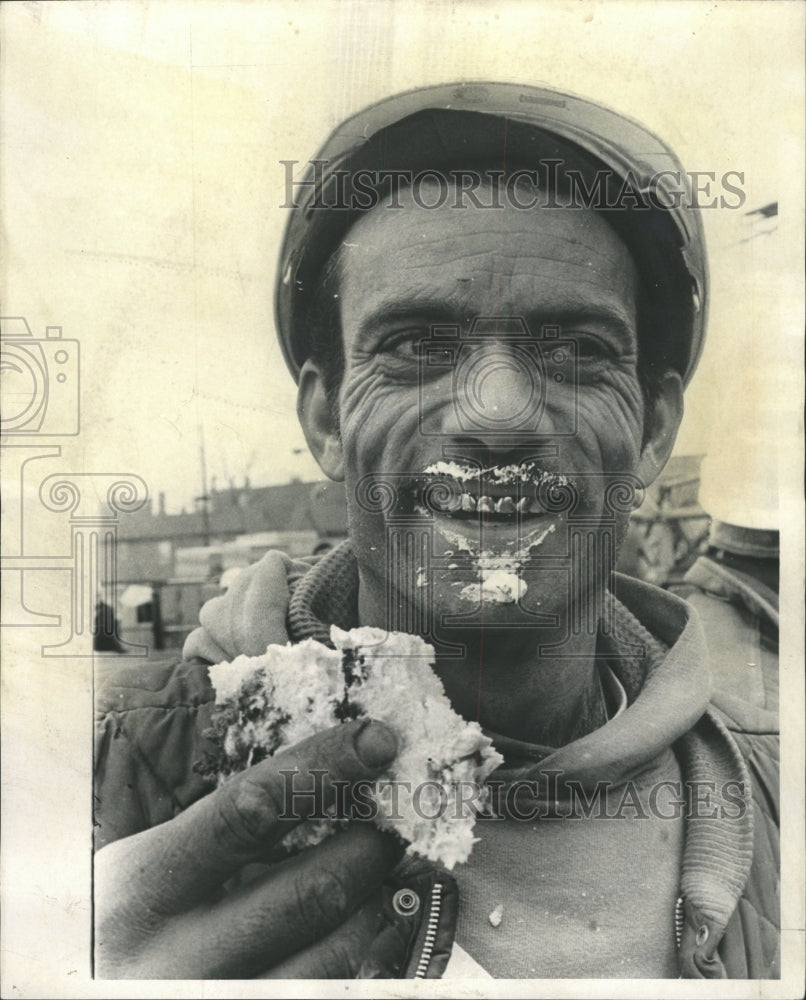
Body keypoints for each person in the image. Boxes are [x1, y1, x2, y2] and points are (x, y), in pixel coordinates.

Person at [93, 82, 779, 980]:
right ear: (328, 422)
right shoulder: (108, 776)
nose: (496, 415)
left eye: (574, 349)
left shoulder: (774, 805)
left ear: (651, 429)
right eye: (418, 344)